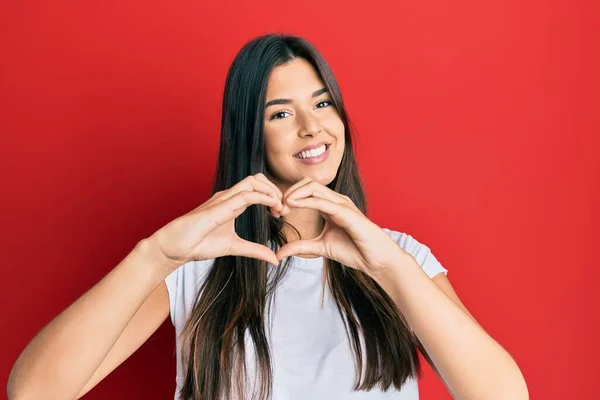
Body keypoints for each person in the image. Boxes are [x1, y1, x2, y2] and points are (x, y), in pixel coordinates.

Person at [7, 34, 528, 400]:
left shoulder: (400, 259)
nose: (312, 127)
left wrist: (390, 268)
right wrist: (156, 254)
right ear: (249, 135)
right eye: (280, 113)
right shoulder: (197, 265)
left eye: (322, 104)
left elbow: (503, 395)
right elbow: (34, 391)